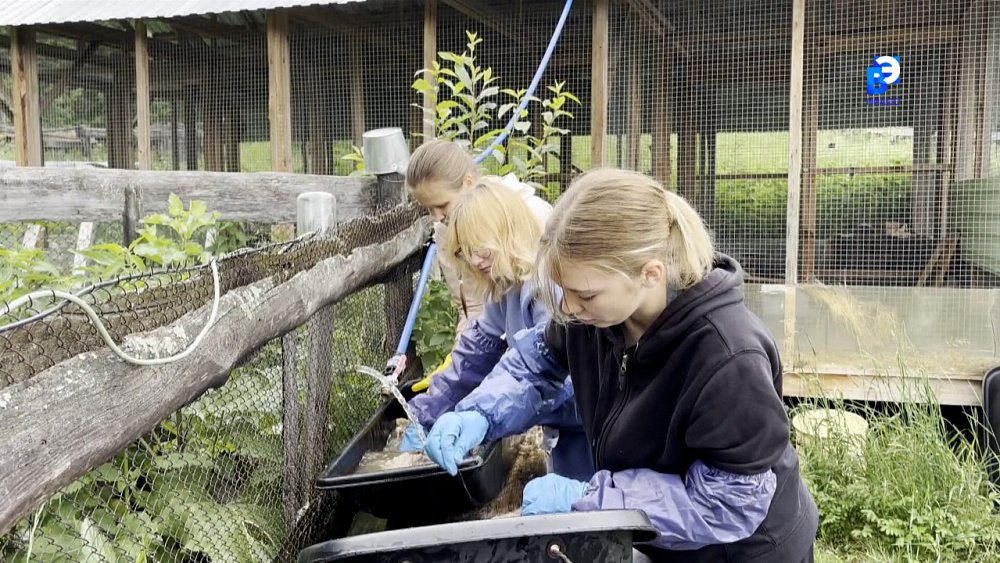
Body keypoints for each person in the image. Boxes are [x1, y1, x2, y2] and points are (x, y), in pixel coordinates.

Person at [421, 168, 819, 562]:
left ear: (650, 274)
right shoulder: (595, 317)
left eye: (585, 294)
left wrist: (593, 500)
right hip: (666, 542)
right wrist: (479, 413)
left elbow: (730, 500)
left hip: (745, 550)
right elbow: (535, 363)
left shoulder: (728, 356)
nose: (568, 308)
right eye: (566, 290)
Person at [401, 177, 595, 482]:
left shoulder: (549, 284)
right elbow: (474, 355)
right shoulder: (505, 285)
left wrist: (482, 414)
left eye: (482, 248)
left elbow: (558, 380)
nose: (476, 260)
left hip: (589, 423)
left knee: (591, 500)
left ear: (508, 232)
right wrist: (426, 412)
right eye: (466, 251)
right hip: (563, 425)